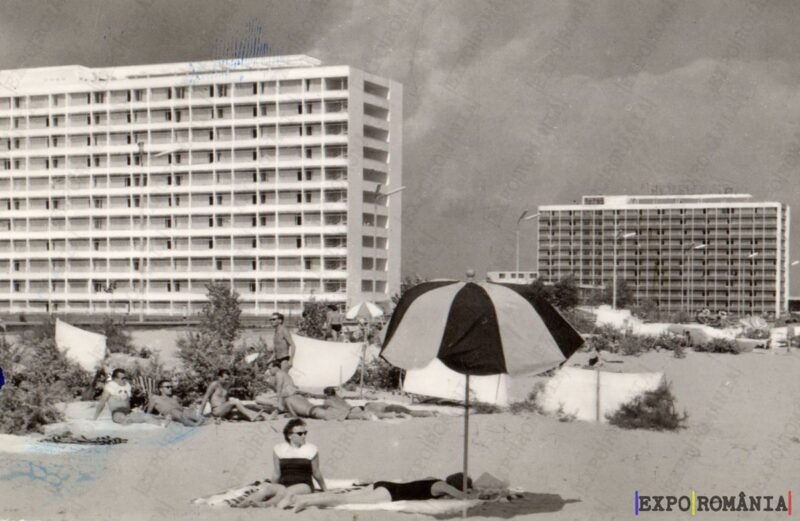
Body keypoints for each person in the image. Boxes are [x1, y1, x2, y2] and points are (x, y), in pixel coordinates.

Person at [239, 419, 326, 507]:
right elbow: (277, 473)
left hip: (304, 485)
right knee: (267, 489)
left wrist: (325, 489)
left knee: (285, 492)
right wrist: (272, 488)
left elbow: (316, 473)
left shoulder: (311, 449)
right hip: (283, 484)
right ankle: (243, 504)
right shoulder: (279, 449)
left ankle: (265, 505)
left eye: (305, 433)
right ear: (289, 435)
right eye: (300, 433)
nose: (303, 436)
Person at [290, 473, 474, 512]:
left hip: (387, 484)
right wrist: (476, 493)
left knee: (343, 496)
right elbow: (462, 497)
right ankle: (305, 503)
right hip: (391, 493)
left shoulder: (434, 479)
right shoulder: (443, 487)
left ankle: (302, 498)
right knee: (343, 499)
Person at [265, 363, 348, 420]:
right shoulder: (299, 396)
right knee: (347, 415)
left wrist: (289, 413)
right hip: (315, 408)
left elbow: (294, 415)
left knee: (345, 416)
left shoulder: (288, 400)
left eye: (270, 368)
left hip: (313, 412)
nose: (269, 369)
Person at [93, 369, 166, 426]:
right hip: (117, 412)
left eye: (125, 378)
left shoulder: (127, 386)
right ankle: (128, 422)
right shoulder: (109, 388)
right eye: (122, 378)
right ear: (115, 379)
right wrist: (95, 418)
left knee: (146, 417)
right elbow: (101, 404)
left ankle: (162, 424)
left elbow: (134, 397)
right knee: (123, 419)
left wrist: (139, 393)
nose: (125, 380)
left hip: (129, 412)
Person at [199, 369, 270, 422]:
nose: (227, 381)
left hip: (225, 410)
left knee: (239, 413)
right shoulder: (214, 384)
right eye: (225, 379)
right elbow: (205, 398)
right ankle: (252, 417)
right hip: (217, 410)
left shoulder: (227, 385)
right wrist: (200, 414)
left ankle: (261, 417)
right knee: (235, 401)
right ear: (219, 377)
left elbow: (236, 382)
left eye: (228, 379)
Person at [322, 387, 437, 419]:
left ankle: (429, 413)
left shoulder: (330, 400)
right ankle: (429, 412)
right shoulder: (338, 397)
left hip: (386, 408)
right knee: (411, 411)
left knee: (410, 412)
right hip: (386, 406)